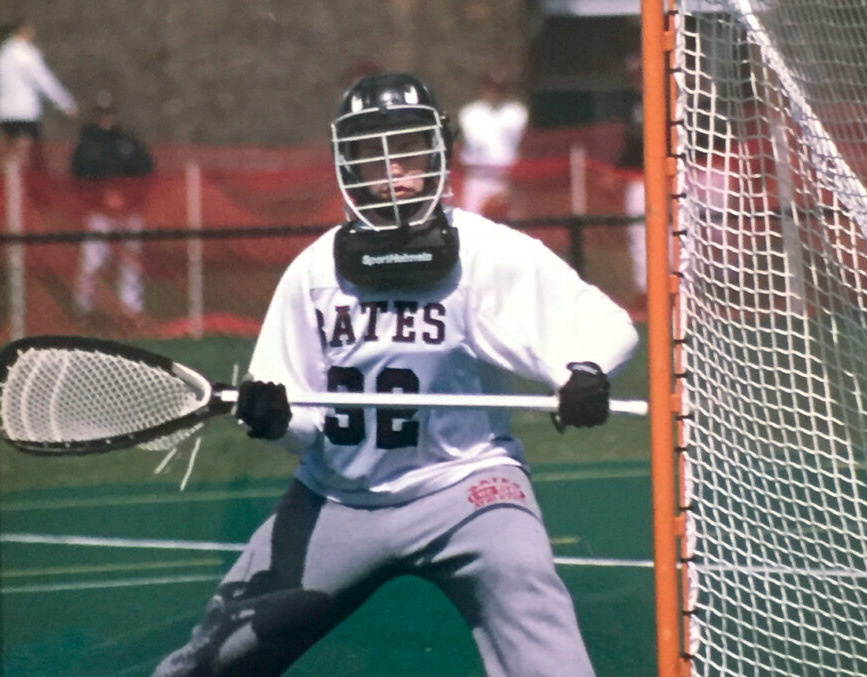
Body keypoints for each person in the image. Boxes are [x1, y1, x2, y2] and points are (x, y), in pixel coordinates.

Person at [153, 72, 638, 677]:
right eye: (372, 153)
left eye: (408, 146)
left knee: (540, 629)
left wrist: (585, 371)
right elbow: (300, 426)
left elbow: (605, 322)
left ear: (441, 148)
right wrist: (275, 420)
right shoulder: (314, 273)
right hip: (338, 497)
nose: (394, 168)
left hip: (469, 488)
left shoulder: (486, 253)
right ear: (348, 164)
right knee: (212, 658)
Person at [70, 91, 153, 320]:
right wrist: (101, 195)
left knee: (131, 258)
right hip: (99, 212)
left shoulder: (127, 139)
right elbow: (80, 174)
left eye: (109, 113)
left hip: (129, 210)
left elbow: (145, 168)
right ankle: (83, 308)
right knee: (93, 260)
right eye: (101, 113)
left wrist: (127, 195)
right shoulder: (87, 141)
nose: (106, 118)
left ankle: (131, 309)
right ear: (95, 114)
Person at [0, 20, 76, 169]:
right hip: (24, 112)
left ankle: (13, 183)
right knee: (32, 157)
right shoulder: (26, 54)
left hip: (5, 114)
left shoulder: (2, 55)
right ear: (22, 31)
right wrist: (65, 103)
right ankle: (24, 187)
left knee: (14, 151)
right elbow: (44, 80)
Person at [456, 68, 528, 218]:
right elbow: (462, 142)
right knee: (472, 217)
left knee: (513, 219)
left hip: (506, 174)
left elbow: (522, 143)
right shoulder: (470, 113)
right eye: (491, 87)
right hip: (478, 174)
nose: (495, 92)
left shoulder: (516, 113)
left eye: (500, 88)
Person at [615, 52, 647, 311]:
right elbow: (630, 146)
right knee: (640, 234)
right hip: (640, 178)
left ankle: (687, 292)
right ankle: (645, 290)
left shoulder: (674, 100)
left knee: (682, 236)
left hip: (679, 177)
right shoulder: (632, 106)